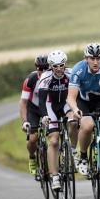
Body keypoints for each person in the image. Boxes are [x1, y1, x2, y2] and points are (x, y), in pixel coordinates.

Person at [67, 43, 100, 183]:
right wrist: (74, 109)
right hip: (82, 101)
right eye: (92, 58)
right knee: (88, 126)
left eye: (99, 58)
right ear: (86, 58)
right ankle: (83, 158)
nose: (95, 62)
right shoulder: (78, 69)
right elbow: (71, 97)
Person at [39, 49, 78, 191]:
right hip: (51, 106)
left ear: (65, 63)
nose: (59, 68)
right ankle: (55, 177)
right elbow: (42, 100)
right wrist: (44, 116)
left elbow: (77, 94)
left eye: (61, 65)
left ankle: (73, 151)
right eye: (55, 66)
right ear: (50, 66)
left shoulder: (71, 73)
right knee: (54, 140)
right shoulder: (45, 77)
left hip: (66, 104)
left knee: (73, 122)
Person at [19, 54, 49, 175]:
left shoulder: (53, 77)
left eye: (46, 68)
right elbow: (23, 102)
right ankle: (32, 158)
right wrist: (25, 121)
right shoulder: (30, 80)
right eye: (40, 69)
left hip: (48, 107)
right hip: (33, 109)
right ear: (37, 69)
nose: (43, 71)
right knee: (33, 138)